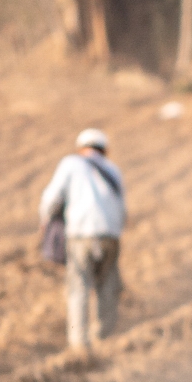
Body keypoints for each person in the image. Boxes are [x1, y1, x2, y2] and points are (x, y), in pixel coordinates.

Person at [39, 127, 127, 350]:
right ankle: (105, 338)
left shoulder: (71, 163)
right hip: (111, 235)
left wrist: (46, 221)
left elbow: (51, 198)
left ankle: (79, 343)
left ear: (81, 148)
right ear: (104, 149)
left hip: (81, 235)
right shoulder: (113, 170)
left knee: (78, 286)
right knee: (107, 285)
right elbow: (122, 208)